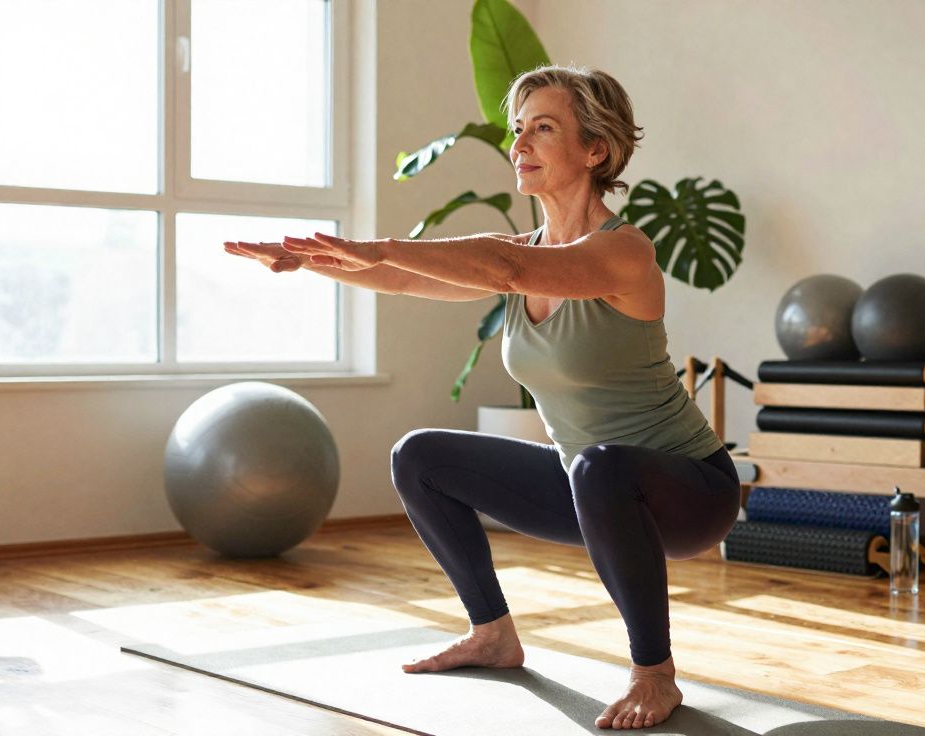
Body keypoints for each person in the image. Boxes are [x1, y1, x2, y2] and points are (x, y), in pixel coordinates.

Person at [224, 64, 740, 732]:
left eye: (543, 128)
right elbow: (405, 281)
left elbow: (506, 267)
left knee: (600, 466)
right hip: (589, 485)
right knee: (420, 457)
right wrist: (311, 260)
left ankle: (654, 674)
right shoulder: (523, 253)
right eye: (518, 129)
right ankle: (492, 633)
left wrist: (373, 245)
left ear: (595, 149)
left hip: (690, 492)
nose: (519, 144)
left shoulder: (624, 253)